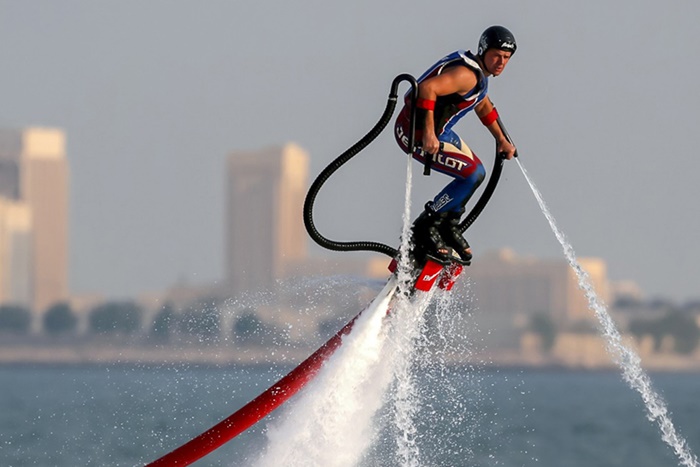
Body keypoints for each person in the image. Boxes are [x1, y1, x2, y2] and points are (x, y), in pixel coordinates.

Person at [394, 25, 518, 265]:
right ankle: (424, 228)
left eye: (506, 58)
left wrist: (501, 139)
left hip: (440, 132)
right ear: (483, 50)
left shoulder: (479, 75)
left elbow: (482, 105)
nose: (501, 62)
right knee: (472, 174)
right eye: (496, 55)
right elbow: (427, 89)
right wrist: (429, 134)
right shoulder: (467, 75)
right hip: (415, 134)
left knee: (477, 172)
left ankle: (446, 226)